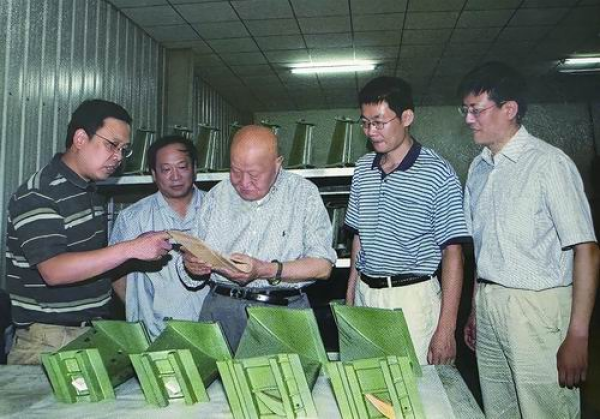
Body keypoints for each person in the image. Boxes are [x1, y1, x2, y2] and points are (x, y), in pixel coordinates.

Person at [459, 61, 600, 418]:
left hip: (537, 308)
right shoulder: (478, 169)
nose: (469, 119)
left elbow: (586, 250)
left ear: (509, 109)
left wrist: (578, 334)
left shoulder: (549, 163)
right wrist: (476, 308)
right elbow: (482, 249)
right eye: (466, 110)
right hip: (490, 303)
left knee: (546, 410)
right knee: (500, 411)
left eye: (476, 110)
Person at [5, 99, 172, 365]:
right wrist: (129, 249)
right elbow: (54, 271)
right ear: (80, 138)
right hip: (49, 343)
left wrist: (135, 248)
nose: (118, 157)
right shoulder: (39, 193)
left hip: (89, 334)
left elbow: (95, 263)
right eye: (112, 145)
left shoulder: (89, 192)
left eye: (124, 149)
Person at [344, 76, 470, 366]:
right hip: (366, 295)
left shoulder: (437, 172)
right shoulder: (363, 169)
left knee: (419, 390)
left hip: (413, 300)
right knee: (370, 385)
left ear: (407, 118)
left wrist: (446, 329)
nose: (371, 131)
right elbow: (359, 239)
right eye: (365, 123)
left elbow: (453, 253)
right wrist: (350, 300)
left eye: (379, 122)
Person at [180, 125, 337, 350]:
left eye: (254, 175)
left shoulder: (304, 194)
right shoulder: (217, 195)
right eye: (235, 171)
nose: (243, 183)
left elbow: (322, 267)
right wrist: (191, 265)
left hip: (282, 315)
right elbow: (191, 257)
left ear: (277, 164)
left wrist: (264, 270)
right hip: (221, 314)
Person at [109, 136, 207, 340]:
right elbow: (116, 275)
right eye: (166, 169)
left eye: (182, 167)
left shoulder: (217, 209)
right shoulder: (133, 217)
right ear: (154, 174)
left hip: (212, 330)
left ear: (195, 168)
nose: (175, 176)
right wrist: (142, 313)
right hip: (155, 333)